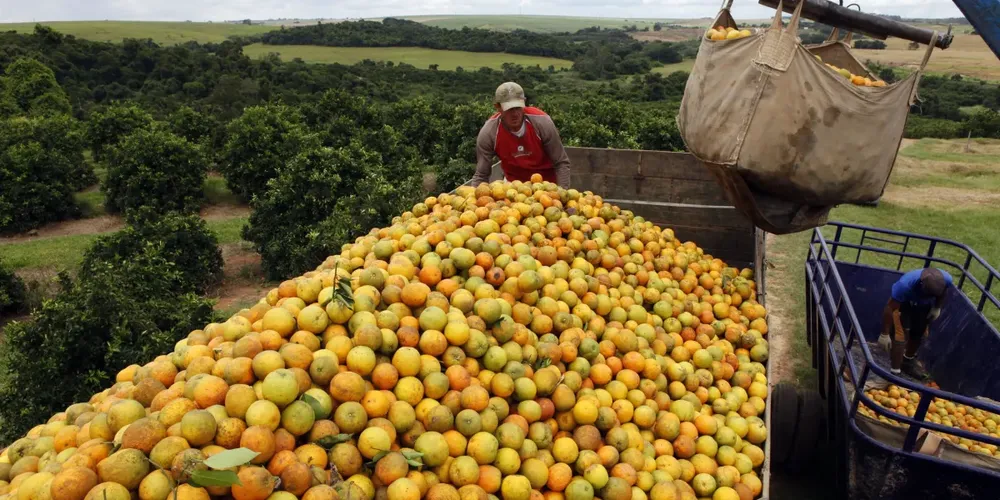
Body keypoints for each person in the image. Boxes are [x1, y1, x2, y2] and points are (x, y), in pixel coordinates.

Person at [470, 82, 571, 188]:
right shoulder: (489, 132)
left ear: (524, 102)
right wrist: (472, 199)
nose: (515, 114)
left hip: (547, 186)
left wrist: (561, 194)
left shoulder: (541, 122)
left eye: (518, 107)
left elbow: (561, 163)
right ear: (498, 107)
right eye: (509, 109)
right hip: (513, 188)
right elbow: (481, 175)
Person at [877, 267, 953, 380]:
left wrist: (937, 307)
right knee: (900, 335)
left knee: (918, 333)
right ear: (922, 285)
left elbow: (944, 292)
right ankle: (895, 373)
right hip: (905, 303)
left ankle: (907, 363)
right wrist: (885, 333)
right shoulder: (904, 285)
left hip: (924, 305)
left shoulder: (946, 279)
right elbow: (890, 307)